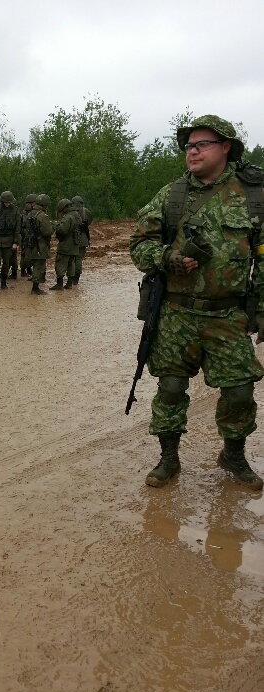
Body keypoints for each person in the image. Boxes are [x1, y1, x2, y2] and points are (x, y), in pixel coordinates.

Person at [129, 114, 264, 490]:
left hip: (228, 315)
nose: (192, 151)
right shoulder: (172, 195)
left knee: (239, 391)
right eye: (188, 145)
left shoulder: (253, 195)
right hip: (175, 314)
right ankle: (168, 458)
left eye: (201, 144)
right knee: (170, 388)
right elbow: (138, 243)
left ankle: (233, 455)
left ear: (225, 148)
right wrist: (166, 259)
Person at [0, 190, 21, 291]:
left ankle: (4, 282)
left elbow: (17, 228)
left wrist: (15, 242)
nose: (7, 204)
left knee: (6, 262)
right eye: (6, 202)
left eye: (9, 202)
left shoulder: (15, 210)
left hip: (9, 240)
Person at [23, 194, 52, 294]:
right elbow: (47, 232)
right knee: (38, 265)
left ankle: (35, 286)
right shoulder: (42, 216)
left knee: (35, 264)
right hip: (40, 244)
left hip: (30, 244)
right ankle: (35, 288)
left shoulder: (30, 214)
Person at [51, 198, 80, 290]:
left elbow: (62, 230)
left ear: (65, 207)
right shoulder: (77, 215)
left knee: (60, 263)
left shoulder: (68, 217)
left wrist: (55, 226)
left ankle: (59, 284)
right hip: (75, 244)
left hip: (66, 245)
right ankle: (69, 283)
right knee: (71, 264)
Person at [71, 195, 92, 283]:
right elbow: (90, 221)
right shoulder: (85, 211)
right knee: (79, 258)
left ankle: (71, 276)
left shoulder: (71, 211)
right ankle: (77, 276)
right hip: (83, 238)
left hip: (73, 238)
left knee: (72, 258)